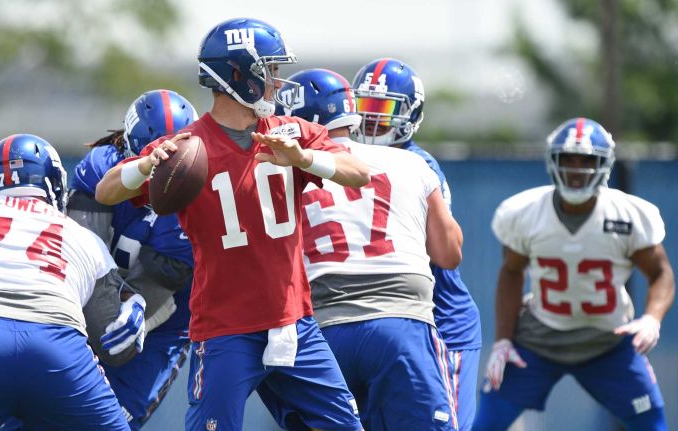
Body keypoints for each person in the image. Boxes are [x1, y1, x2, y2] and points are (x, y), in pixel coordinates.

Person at [95, 18, 370, 431]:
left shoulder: (290, 134)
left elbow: (358, 172)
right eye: (269, 71)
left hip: (294, 322)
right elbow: (106, 191)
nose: (277, 82)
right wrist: (145, 166)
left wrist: (304, 159)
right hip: (226, 330)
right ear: (238, 75)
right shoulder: (186, 148)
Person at [260, 68, 464, 430]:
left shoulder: (277, 172)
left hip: (322, 332)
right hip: (400, 326)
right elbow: (448, 254)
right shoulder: (412, 162)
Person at [0, 134, 139, 430]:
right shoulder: (83, 237)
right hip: (56, 347)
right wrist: (134, 301)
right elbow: (109, 336)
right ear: (51, 182)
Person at [472, 118, 674, 431]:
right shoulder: (525, 212)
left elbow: (660, 273)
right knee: (486, 424)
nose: (577, 170)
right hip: (537, 341)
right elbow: (511, 273)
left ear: (604, 165)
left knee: (653, 426)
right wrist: (502, 341)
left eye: (587, 161)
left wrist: (652, 319)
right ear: (553, 162)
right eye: (568, 160)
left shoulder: (628, 215)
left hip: (609, 342)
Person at [352, 57, 483, 430]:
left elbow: (447, 253)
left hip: (438, 320)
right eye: (365, 107)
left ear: (410, 113)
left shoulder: (418, 164)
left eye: (384, 108)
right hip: (380, 320)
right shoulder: (343, 158)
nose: (373, 120)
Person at [68, 89, 198, 429]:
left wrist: (135, 307)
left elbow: (159, 283)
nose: (166, 174)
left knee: (111, 421)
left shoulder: (194, 205)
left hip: (162, 321)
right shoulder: (102, 168)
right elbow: (81, 254)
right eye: (158, 160)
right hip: (87, 301)